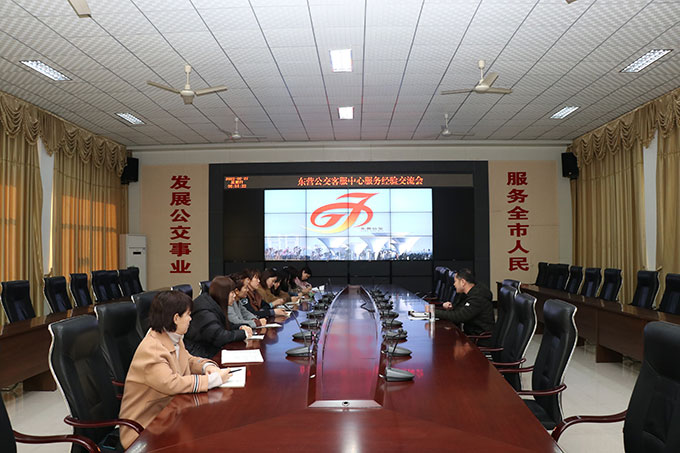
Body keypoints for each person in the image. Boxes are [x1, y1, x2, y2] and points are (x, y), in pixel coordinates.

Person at [119, 291, 231, 449]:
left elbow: (188, 360)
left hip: (169, 416)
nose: (191, 319)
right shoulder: (152, 349)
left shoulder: (172, 337)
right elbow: (171, 383)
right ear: (176, 318)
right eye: (188, 314)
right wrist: (212, 380)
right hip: (145, 428)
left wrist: (207, 366)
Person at [184, 276, 254, 358]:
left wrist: (240, 327)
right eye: (232, 293)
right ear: (223, 294)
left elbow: (224, 325)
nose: (234, 296)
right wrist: (243, 333)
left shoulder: (214, 304)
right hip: (201, 354)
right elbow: (219, 337)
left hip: (211, 350)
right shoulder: (205, 311)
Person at [433, 269, 494, 342]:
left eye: (455, 281)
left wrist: (433, 312)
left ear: (463, 282)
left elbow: (459, 317)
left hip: (479, 339)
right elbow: (458, 311)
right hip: (471, 335)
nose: (454, 284)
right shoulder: (467, 294)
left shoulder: (477, 297)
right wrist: (451, 308)